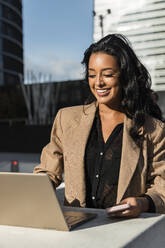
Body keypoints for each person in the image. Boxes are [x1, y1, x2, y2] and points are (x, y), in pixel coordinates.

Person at [34, 34, 165, 217]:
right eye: (92, 75)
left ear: (125, 76)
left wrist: (143, 203)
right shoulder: (67, 119)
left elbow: (162, 186)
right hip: (77, 228)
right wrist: (34, 189)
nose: (98, 82)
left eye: (108, 74)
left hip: (125, 230)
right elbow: (48, 170)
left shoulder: (154, 130)